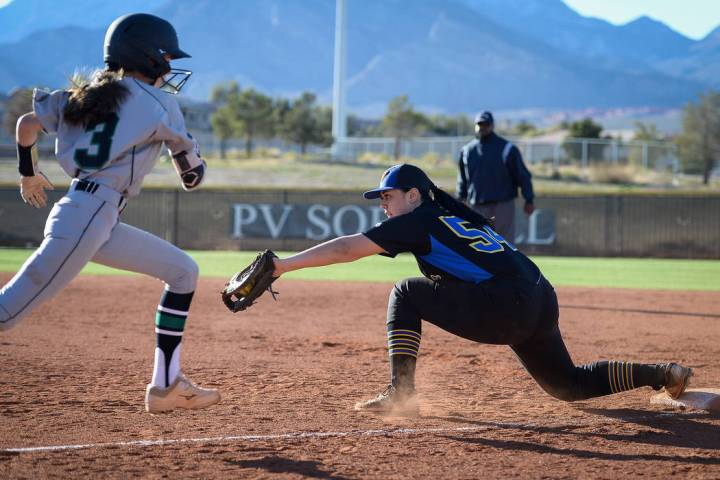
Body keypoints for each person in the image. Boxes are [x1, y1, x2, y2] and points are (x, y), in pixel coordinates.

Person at [270, 163, 692, 413]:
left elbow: (347, 249)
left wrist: (283, 266)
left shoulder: (417, 220)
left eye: (388, 196)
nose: (384, 205)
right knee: (568, 385)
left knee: (405, 292)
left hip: (507, 304)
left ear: (413, 195)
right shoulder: (453, 218)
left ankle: (402, 394)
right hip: (540, 295)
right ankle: (663, 374)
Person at [0, 13, 220, 414]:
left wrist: (28, 173)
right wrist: (186, 148)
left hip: (91, 215)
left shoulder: (83, 96)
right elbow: (193, 178)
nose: (170, 66)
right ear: (149, 57)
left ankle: (166, 383)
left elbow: (26, 125)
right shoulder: (161, 103)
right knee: (6, 314)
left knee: (183, 272)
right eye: (166, 57)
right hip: (88, 216)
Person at [457, 111, 535, 241]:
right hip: (477, 204)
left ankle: (506, 262)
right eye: (479, 124)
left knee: (504, 242)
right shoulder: (467, 151)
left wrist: (529, 199)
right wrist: (459, 200)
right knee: (478, 241)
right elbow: (462, 180)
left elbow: (522, 175)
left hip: (502, 204)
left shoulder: (507, 148)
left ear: (492, 126)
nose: (482, 127)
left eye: (486, 124)